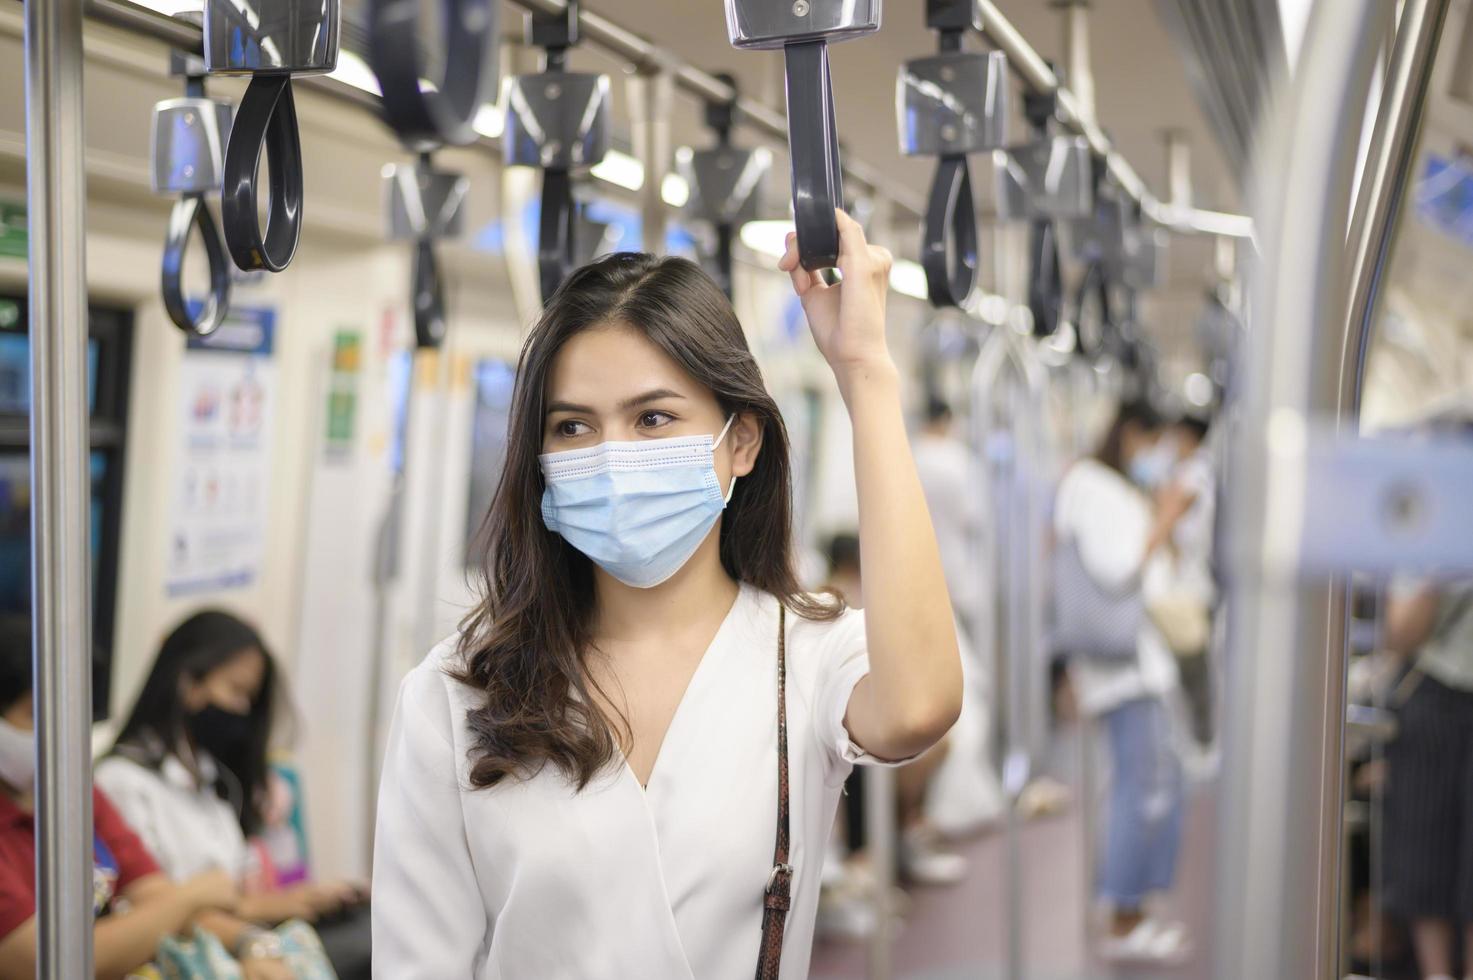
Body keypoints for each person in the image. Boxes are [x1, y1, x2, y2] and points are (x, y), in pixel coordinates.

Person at [373, 212, 963, 978]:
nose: (614, 455)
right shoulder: (457, 696)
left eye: (653, 418)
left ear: (741, 442)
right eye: (574, 428)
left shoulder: (805, 656)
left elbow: (918, 708)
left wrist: (866, 372)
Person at [0, 615, 292, 980]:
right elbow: (46, 962)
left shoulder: (77, 795)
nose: (57, 732)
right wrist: (195, 894)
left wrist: (252, 944)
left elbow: (157, 897)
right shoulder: (119, 780)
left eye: (69, 714)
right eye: (34, 714)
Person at [96, 610, 370, 980]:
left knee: (373, 926)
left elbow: (233, 893)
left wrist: (303, 899)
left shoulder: (209, 777)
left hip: (234, 934)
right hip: (185, 952)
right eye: (236, 691)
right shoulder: (121, 783)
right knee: (365, 950)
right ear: (188, 683)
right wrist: (255, 937)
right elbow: (160, 907)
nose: (241, 709)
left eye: (249, 698)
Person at [1053, 400, 1191, 964]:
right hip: (1125, 669)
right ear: (1134, 435)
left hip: (1132, 667)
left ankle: (1128, 905)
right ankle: (1123, 915)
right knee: (1144, 790)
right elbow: (1119, 566)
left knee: (1148, 785)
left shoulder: (1095, 485)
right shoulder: (1097, 487)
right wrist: (1167, 518)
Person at [1382, 575, 1473, 980]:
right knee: (1424, 840)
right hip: (1436, 690)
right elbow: (1400, 633)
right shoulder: (1432, 532)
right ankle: (1435, 974)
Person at [911, 396, 984, 636]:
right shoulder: (959, 458)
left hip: (915, 561)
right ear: (946, 420)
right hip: (955, 560)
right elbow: (973, 515)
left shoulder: (911, 453)